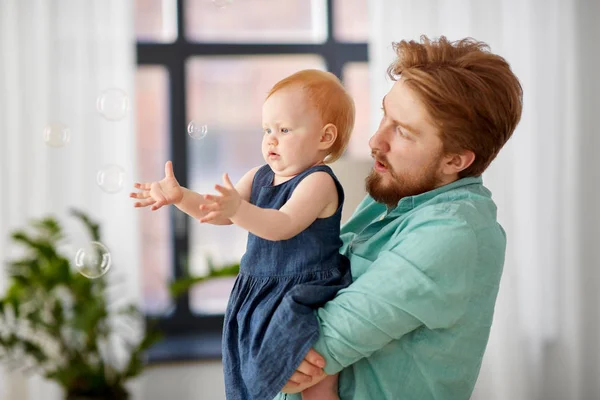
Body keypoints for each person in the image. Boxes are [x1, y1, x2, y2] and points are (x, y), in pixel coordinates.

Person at [273, 35, 523, 400]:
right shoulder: (391, 198)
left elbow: (283, 362)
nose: (376, 140)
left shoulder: (453, 233)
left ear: (456, 160)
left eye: (403, 132)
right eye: (384, 115)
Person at [130, 69, 356, 400]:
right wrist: (180, 197)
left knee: (317, 383)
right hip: (260, 288)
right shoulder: (259, 176)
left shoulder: (317, 181)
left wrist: (238, 209)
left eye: (284, 129)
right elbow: (216, 212)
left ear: (324, 137)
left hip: (303, 289)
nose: (271, 139)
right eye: (266, 129)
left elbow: (282, 224)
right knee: (251, 378)